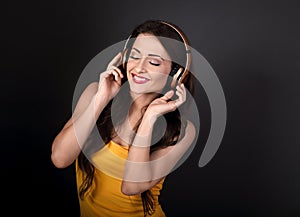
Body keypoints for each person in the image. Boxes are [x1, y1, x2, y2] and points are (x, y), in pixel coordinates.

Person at [51, 19, 197, 217]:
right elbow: (60, 158)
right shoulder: (95, 93)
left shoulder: (182, 130)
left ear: (176, 73)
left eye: (153, 62)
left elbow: (132, 186)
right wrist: (101, 99)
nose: (139, 67)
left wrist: (149, 119)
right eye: (135, 56)